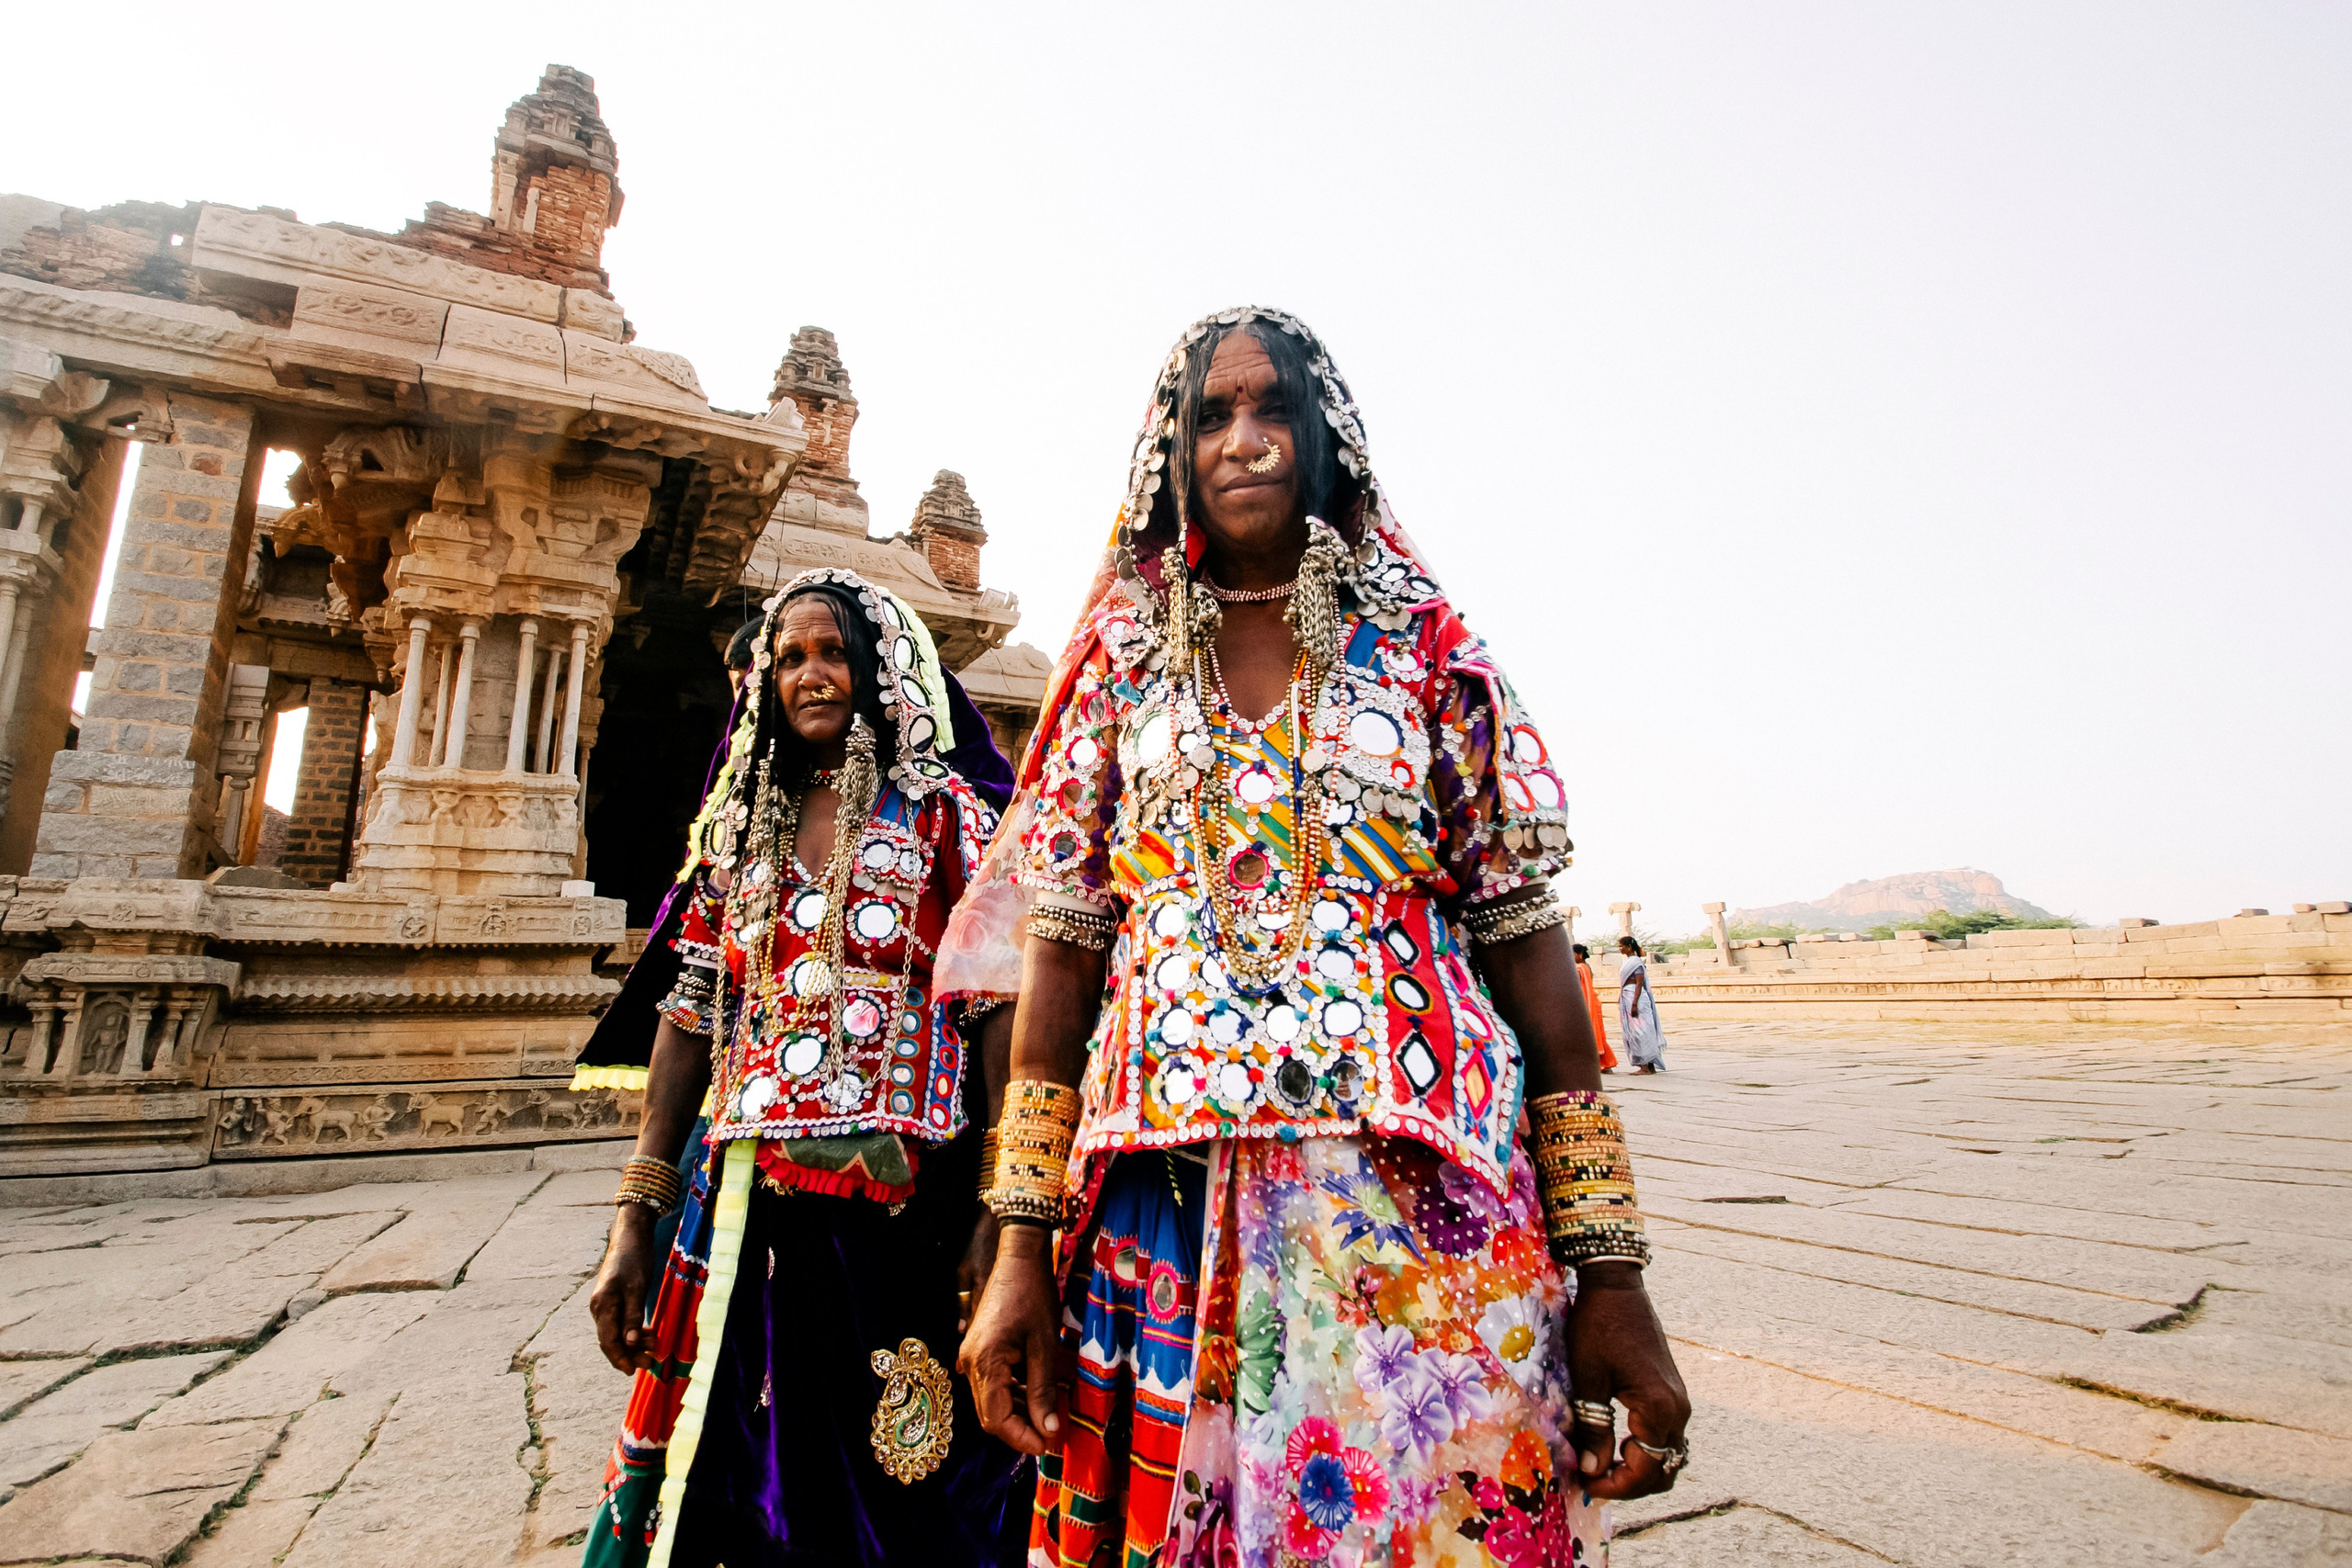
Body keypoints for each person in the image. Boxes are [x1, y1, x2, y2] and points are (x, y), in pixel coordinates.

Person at [956, 308, 1690, 1566]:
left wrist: (1610, 1273)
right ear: (1171, 453)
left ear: (1329, 436)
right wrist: (1020, 1242)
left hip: (1429, 1212)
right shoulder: (1117, 667)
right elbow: (1061, 967)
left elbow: (1531, 957)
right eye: (1211, 415)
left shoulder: (1427, 652)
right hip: (1162, 1210)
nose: (1244, 440)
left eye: (1273, 406)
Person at [579, 569, 1027, 1568]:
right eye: (788, 659)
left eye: (831, 653)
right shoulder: (739, 830)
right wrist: (634, 1211)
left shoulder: (946, 818)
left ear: (875, 671)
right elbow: (691, 1011)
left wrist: (1001, 1207)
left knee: (914, 1477)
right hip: (753, 1205)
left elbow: (1000, 1004)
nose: (810, 675)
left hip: (918, 1204)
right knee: (751, 1468)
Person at [1617, 937, 1667, 1073]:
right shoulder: (1628, 962)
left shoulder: (1636, 962)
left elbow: (1639, 983)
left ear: (1629, 947)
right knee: (1635, 1032)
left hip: (1636, 997)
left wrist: (1634, 1003)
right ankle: (1648, 1065)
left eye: (1621, 946)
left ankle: (1646, 1065)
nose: (1620, 948)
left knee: (1642, 1031)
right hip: (1628, 996)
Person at [1573, 942, 1619, 1073]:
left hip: (1587, 1004)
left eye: (1573, 954)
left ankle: (1599, 1064)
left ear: (1580, 955)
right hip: (1593, 1002)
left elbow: (1575, 987)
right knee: (1598, 1034)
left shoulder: (1579, 969)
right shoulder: (1587, 967)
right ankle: (1606, 1064)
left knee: (1590, 1034)